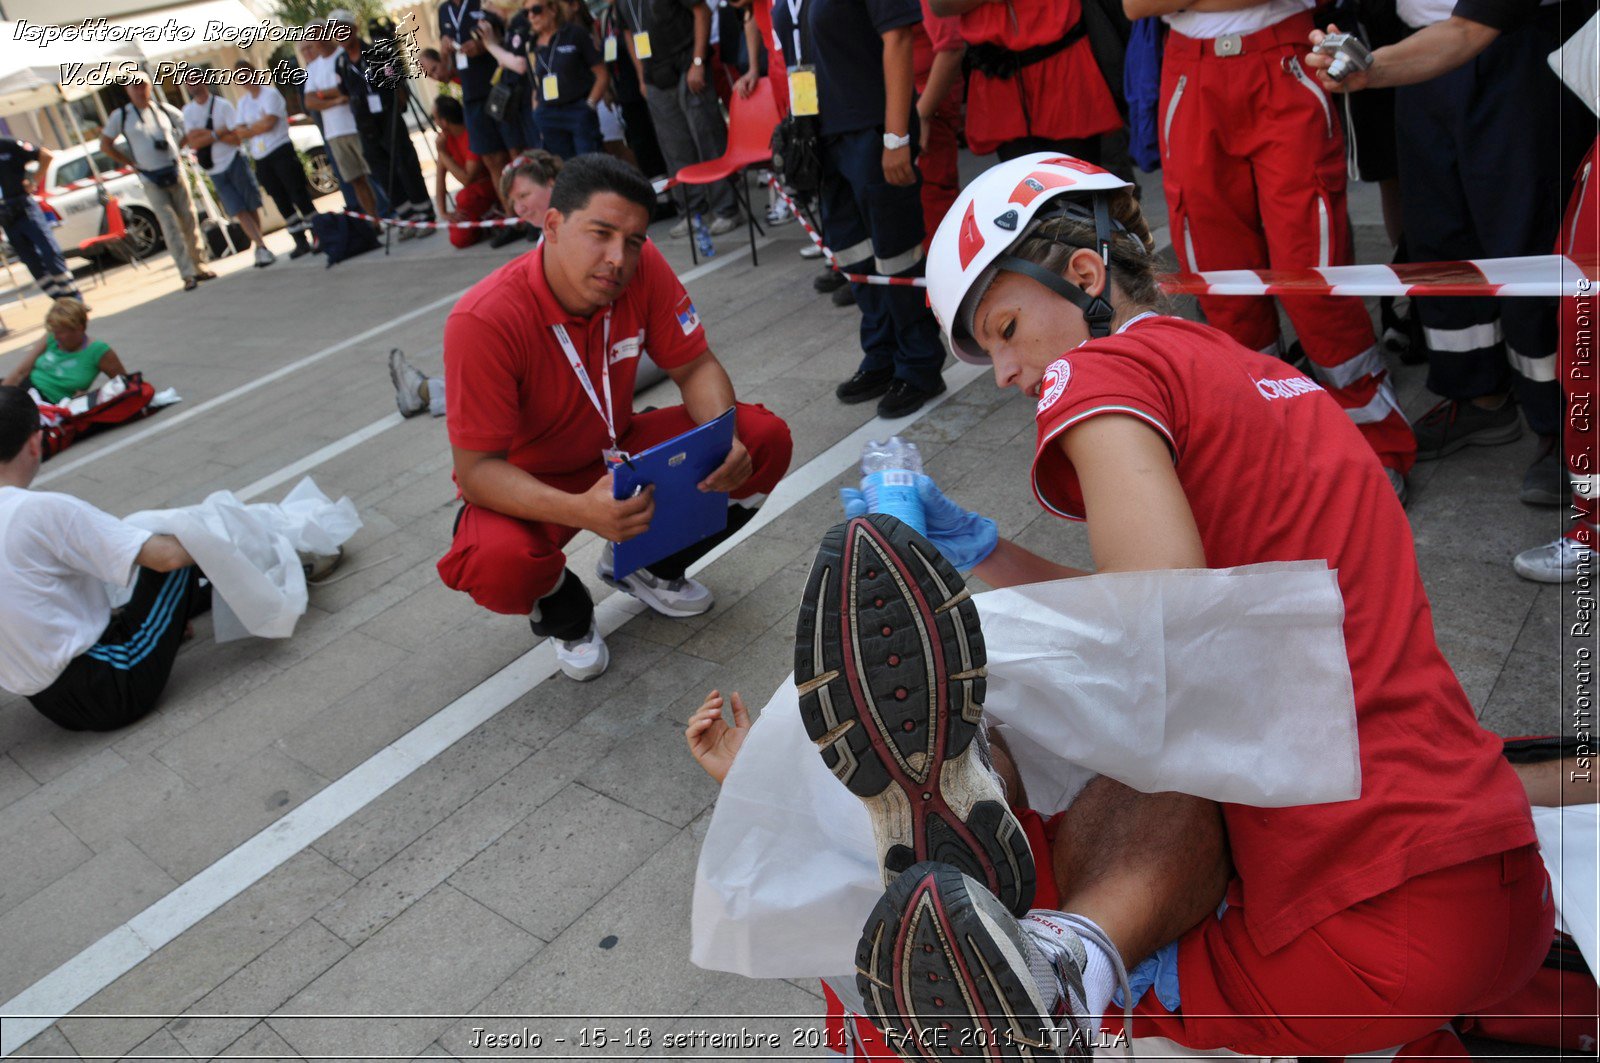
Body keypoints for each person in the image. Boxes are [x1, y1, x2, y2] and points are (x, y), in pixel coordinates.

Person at [803, 152, 1549, 1058]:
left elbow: (1153, 638)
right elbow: (1206, 610)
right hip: (1490, 874)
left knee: (983, 997)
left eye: (1003, 328)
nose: (1002, 372)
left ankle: (1069, 962)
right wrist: (988, 551)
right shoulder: (1271, 380)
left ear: (1083, 276)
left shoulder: (1099, 371)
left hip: (1363, 914)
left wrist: (986, 689)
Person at [435, 154, 792, 680]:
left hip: (616, 444)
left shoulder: (643, 268)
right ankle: (568, 613)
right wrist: (582, 510)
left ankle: (652, 567)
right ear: (552, 225)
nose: (617, 258)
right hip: (530, 478)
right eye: (599, 233)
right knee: (494, 562)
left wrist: (724, 435)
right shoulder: (484, 319)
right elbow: (477, 471)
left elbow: (695, 366)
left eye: (632, 241)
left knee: (762, 438)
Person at [1304, 2, 1589, 571]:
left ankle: (1562, 423)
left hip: (1512, 49)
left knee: (1526, 241)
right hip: (1418, 53)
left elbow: (1471, 28)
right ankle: (1478, 394)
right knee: (1439, 236)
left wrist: (1374, 69)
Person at [0, 386, 209, 732]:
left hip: (49, 703)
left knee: (123, 569)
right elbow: (167, 559)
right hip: (112, 683)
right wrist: (229, 535)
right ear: (36, 442)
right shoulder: (40, 510)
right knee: (178, 551)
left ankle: (172, 619)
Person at [791, 0, 948, 417]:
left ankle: (919, 364)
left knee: (896, 252)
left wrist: (896, 136)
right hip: (824, 134)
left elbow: (897, 38)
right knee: (851, 252)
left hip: (871, 127)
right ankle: (881, 353)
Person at [930, 0, 1120, 162]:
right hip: (999, 76)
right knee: (1024, 195)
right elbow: (939, 5)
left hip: (1061, 61)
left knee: (1079, 187)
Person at [616, 0, 742, 237]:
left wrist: (698, 61)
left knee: (707, 136)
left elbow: (701, 11)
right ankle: (692, 213)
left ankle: (727, 209)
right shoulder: (621, 3)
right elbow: (628, 33)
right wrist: (642, 77)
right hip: (655, 76)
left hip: (686, 63)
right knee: (674, 147)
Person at [99, 72, 215, 292]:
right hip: (150, 176)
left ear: (149, 87)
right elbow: (105, 145)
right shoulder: (122, 116)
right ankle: (187, 273)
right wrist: (131, 162)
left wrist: (178, 148)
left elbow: (188, 128)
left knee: (188, 219)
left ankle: (200, 266)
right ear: (128, 90)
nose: (139, 90)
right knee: (169, 225)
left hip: (173, 168)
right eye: (134, 87)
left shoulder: (162, 109)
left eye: (142, 85)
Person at [330, 9, 439, 237]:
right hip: (365, 124)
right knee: (381, 169)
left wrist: (398, 104)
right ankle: (407, 216)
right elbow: (345, 92)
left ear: (354, 29)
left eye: (344, 29)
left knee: (404, 163)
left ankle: (424, 212)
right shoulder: (340, 63)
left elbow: (396, 85)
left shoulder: (375, 52)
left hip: (387, 116)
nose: (341, 35)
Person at [481, 0, 611, 158]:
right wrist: (538, 116)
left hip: (577, 109)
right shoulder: (531, 44)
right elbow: (536, 85)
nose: (531, 16)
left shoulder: (574, 34)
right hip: (548, 114)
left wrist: (589, 105)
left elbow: (601, 73)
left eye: (536, 10)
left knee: (592, 164)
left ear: (553, 9)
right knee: (565, 170)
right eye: (526, 12)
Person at [180, 67, 275, 268]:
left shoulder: (223, 106)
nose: (192, 84)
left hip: (233, 160)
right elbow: (194, 141)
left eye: (195, 79)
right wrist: (217, 133)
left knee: (250, 205)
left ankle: (259, 246)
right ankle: (261, 245)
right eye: (188, 81)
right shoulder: (188, 112)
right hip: (214, 169)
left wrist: (205, 135)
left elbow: (236, 138)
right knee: (238, 209)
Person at [438, 0, 515, 218]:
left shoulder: (482, 2)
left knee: (514, 151)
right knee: (491, 159)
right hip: (471, 94)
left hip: (497, 85)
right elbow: (446, 68)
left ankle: (528, 213)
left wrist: (482, 46)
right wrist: (444, 50)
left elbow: (504, 33)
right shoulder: (444, 10)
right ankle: (511, 218)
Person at [303, 25, 383, 222]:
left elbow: (349, 88)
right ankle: (374, 221)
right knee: (355, 179)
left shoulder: (342, 56)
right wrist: (333, 98)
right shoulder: (313, 68)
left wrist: (326, 94)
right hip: (334, 133)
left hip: (356, 125)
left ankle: (390, 213)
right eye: (313, 38)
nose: (318, 41)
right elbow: (310, 101)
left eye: (320, 34)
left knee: (375, 172)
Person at [0, 137, 83, 301]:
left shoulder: (7, 146)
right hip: (5, 216)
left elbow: (46, 155)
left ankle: (74, 299)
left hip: (23, 206)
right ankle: (60, 301)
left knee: (50, 252)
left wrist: (34, 181)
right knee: (30, 261)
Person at [2, 299, 128, 402]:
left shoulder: (98, 351)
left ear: (79, 328)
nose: (56, 337)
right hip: (24, 389)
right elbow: (21, 372)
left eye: (61, 332)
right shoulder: (51, 337)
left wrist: (89, 398)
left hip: (46, 402)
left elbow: (124, 384)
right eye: (54, 331)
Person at [432, 95, 501, 248]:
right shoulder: (446, 139)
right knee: (458, 237)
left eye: (435, 119)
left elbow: (467, 179)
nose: (435, 123)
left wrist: (442, 153)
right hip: (473, 196)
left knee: (464, 199)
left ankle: (493, 215)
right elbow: (440, 177)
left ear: (443, 122)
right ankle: (484, 224)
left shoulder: (471, 134)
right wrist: (443, 212)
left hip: (488, 190)